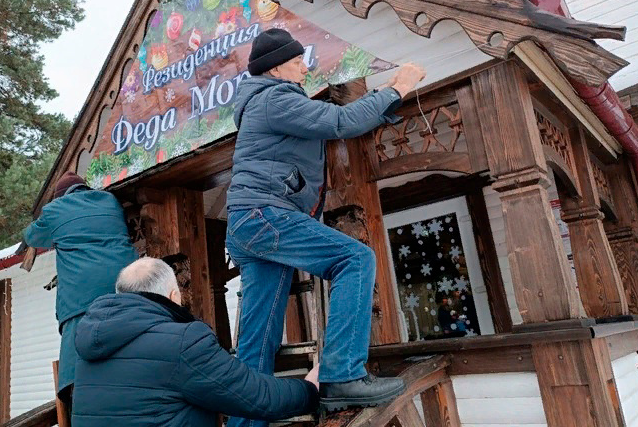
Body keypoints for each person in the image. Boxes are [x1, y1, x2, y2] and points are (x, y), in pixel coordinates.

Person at [226, 28, 426, 420]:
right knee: (355, 259)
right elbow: (340, 122)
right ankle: (341, 375)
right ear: (278, 67)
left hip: (249, 222)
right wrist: (398, 88)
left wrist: (379, 96)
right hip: (266, 214)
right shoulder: (274, 98)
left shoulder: (262, 103)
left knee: (258, 343)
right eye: (298, 61)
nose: (304, 68)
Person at [71, 257, 319, 427]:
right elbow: (255, 396)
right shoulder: (182, 343)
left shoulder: (87, 348)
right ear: (173, 295)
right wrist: (310, 390)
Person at [22, 171, 137, 408]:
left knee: (77, 378)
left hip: (80, 303)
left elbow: (32, 236)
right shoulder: (110, 201)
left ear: (60, 196)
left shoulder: (55, 210)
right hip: (126, 291)